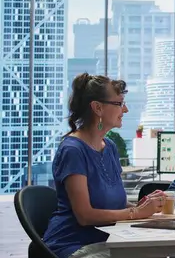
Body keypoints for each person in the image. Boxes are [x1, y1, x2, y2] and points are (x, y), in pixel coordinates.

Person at [43, 73, 167, 258]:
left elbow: (114, 203)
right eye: (119, 103)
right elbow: (85, 216)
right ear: (97, 108)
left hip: (108, 241)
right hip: (74, 245)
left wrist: (143, 206)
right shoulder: (73, 150)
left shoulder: (109, 147)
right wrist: (135, 212)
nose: (124, 109)